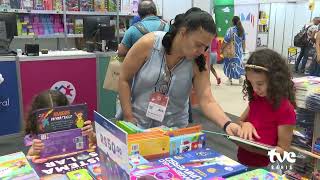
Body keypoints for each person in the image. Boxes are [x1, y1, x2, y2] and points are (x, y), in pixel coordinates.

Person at [118, 7, 241, 136]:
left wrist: (227, 123)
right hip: (137, 127)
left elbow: (207, 100)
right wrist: (128, 116)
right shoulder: (149, 44)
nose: (202, 51)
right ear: (183, 32)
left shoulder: (198, 62)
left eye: (206, 47)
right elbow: (124, 78)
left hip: (173, 132)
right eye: (198, 44)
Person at [236, 49, 296, 168]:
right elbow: (239, 121)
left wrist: (257, 148)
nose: (255, 89)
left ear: (275, 80)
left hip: (264, 168)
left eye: (259, 84)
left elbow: (283, 151)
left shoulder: (285, 109)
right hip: (241, 161)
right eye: (251, 83)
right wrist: (245, 125)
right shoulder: (256, 98)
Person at [24, 90, 96, 157]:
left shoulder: (76, 123)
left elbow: (93, 143)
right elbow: (29, 157)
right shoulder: (34, 135)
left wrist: (91, 135)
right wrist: (34, 150)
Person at [221, 16, 246, 85]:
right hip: (239, 52)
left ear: (232, 22)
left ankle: (231, 79)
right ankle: (239, 79)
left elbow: (226, 40)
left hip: (231, 51)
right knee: (236, 65)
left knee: (229, 64)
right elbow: (243, 42)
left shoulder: (230, 30)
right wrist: (243, 51)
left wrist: (221, 48)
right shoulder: (242, 30)